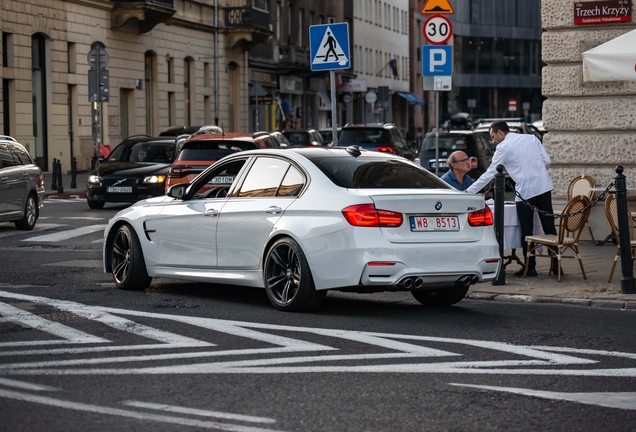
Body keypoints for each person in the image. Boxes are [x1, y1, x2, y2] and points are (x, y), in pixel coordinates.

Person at [466, 120, 557, 278]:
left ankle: (531, 267)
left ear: (500, 133)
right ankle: (556, 266)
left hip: (526, 191)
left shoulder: (503, 147)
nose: (493, 141)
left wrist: (470, 191)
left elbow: (490, 174)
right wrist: (538, 174)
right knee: (549, 228)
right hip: (544, 186)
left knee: (526, 231)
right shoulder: (532, 138)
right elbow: (547, 161)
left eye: (493, 136)